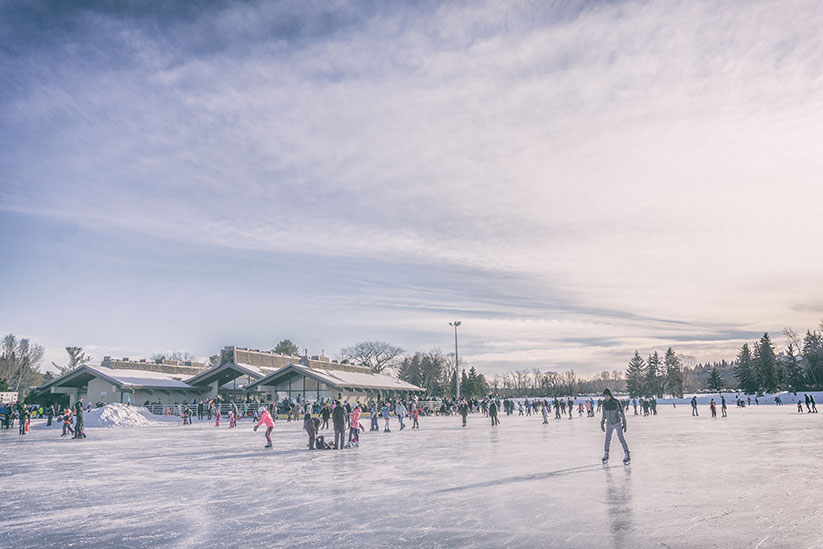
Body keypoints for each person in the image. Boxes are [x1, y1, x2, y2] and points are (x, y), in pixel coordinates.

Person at [600, 388, 630, 464]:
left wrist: (624, 422)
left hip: (617, 422)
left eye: (607, 396)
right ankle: (606, 453)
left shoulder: (616, 402)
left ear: (610, 395)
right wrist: (602, 421)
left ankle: (627, 453)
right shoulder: (604, 403)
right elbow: (604, 413)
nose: (606, 397)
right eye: (605, 396)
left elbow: (621, 412)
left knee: (621, 438)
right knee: (607, 439)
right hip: (609, 423)